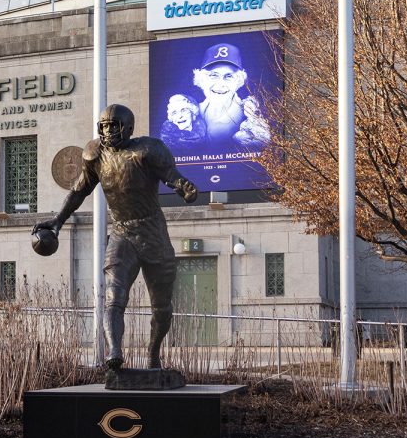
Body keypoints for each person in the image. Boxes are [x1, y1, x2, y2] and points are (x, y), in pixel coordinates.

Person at [33, 104, 197, 371]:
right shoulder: (95, 155)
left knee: (162, 307)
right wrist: (58, 220)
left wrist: (184, 188)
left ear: (128, 127)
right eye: (104, 125)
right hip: (122, 232)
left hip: (152, 232)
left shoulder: (147, 150)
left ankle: (153, 353)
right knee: (114, 296)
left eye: (114, 125)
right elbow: (78, 191)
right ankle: (115, 351)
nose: (108, 130)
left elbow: (172, 177)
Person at [192, 42, 267, 149]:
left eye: (228, 76)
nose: (220, 83)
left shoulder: (250, 117)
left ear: (239, 81)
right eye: (213, 75)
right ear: (202, 79)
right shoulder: (192, 112)